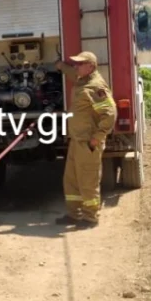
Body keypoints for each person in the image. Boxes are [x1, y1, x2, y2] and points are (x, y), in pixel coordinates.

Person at [53, 51, 116, 228]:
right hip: (76, 141)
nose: (76, 67)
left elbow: (110, 114)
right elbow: (72, 73)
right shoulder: (83, 80)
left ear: (90, 66)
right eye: (75, 64)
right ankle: (74, 214)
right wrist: (61, 66)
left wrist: (97, 138)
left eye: (80, 64)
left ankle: (90, 218)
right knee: (71, 180)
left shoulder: (95, 87)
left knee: (88, 181)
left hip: (88, 143)